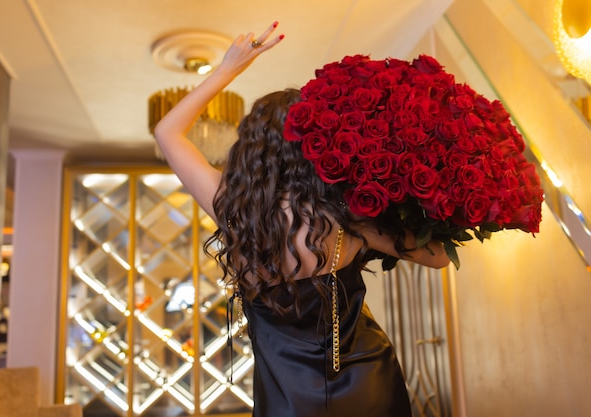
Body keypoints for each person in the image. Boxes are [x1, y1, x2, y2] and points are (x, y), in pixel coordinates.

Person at [154, 22, 449, 417]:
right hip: (368, 381)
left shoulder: (233, 208)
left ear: (250, 150)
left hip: (287, 401)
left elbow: (167, 132)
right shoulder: (349, 213)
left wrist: (229, 69)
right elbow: (438, 257)